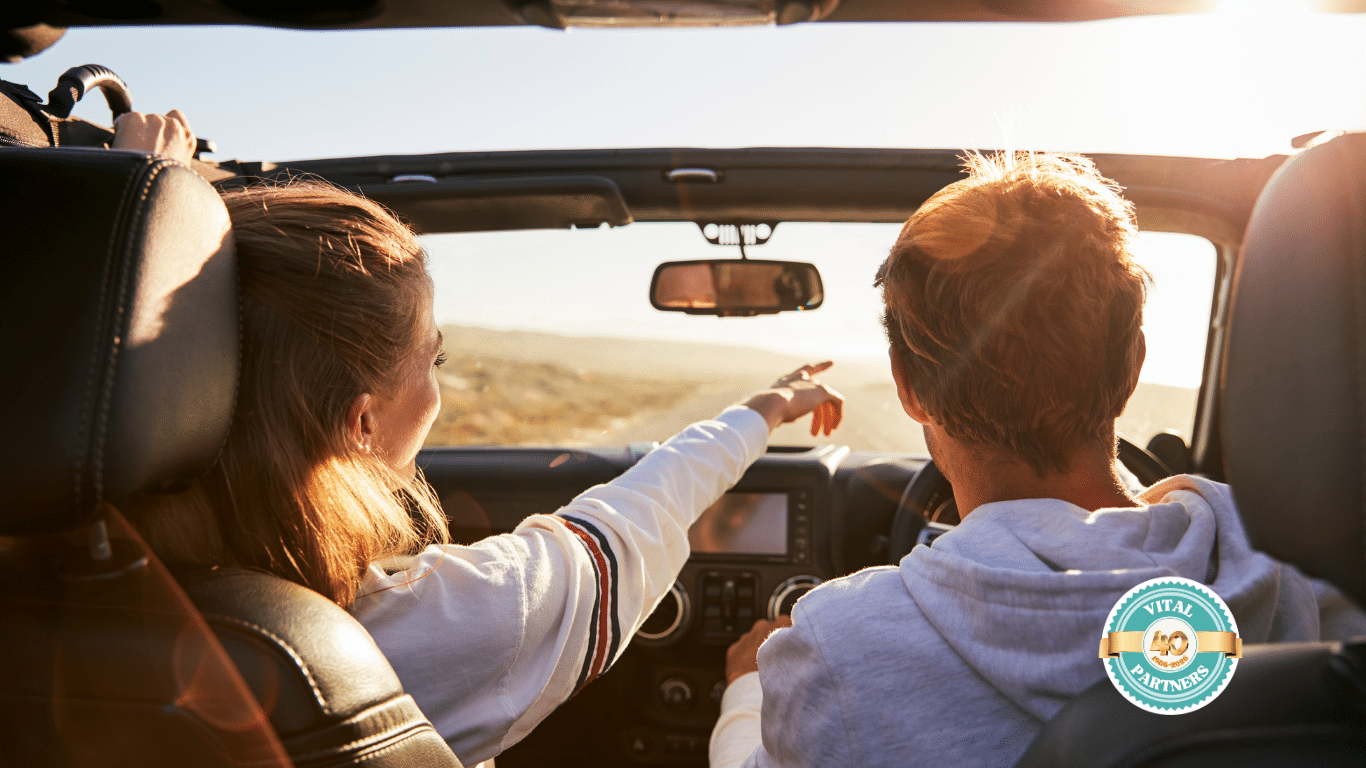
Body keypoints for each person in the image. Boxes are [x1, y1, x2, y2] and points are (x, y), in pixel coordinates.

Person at [113, 113, 846, 766]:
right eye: (434, 360)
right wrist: (766, 409)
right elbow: (636, 514)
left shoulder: (59, 584)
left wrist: (139, 208)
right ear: (362, 422)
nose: (438, 386)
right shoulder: (442, 626)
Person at [709, 151, 1366, 768]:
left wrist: (746, 691)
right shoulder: (1301, 582)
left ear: (907, 388)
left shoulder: (835, 650)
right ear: (1133, 364)